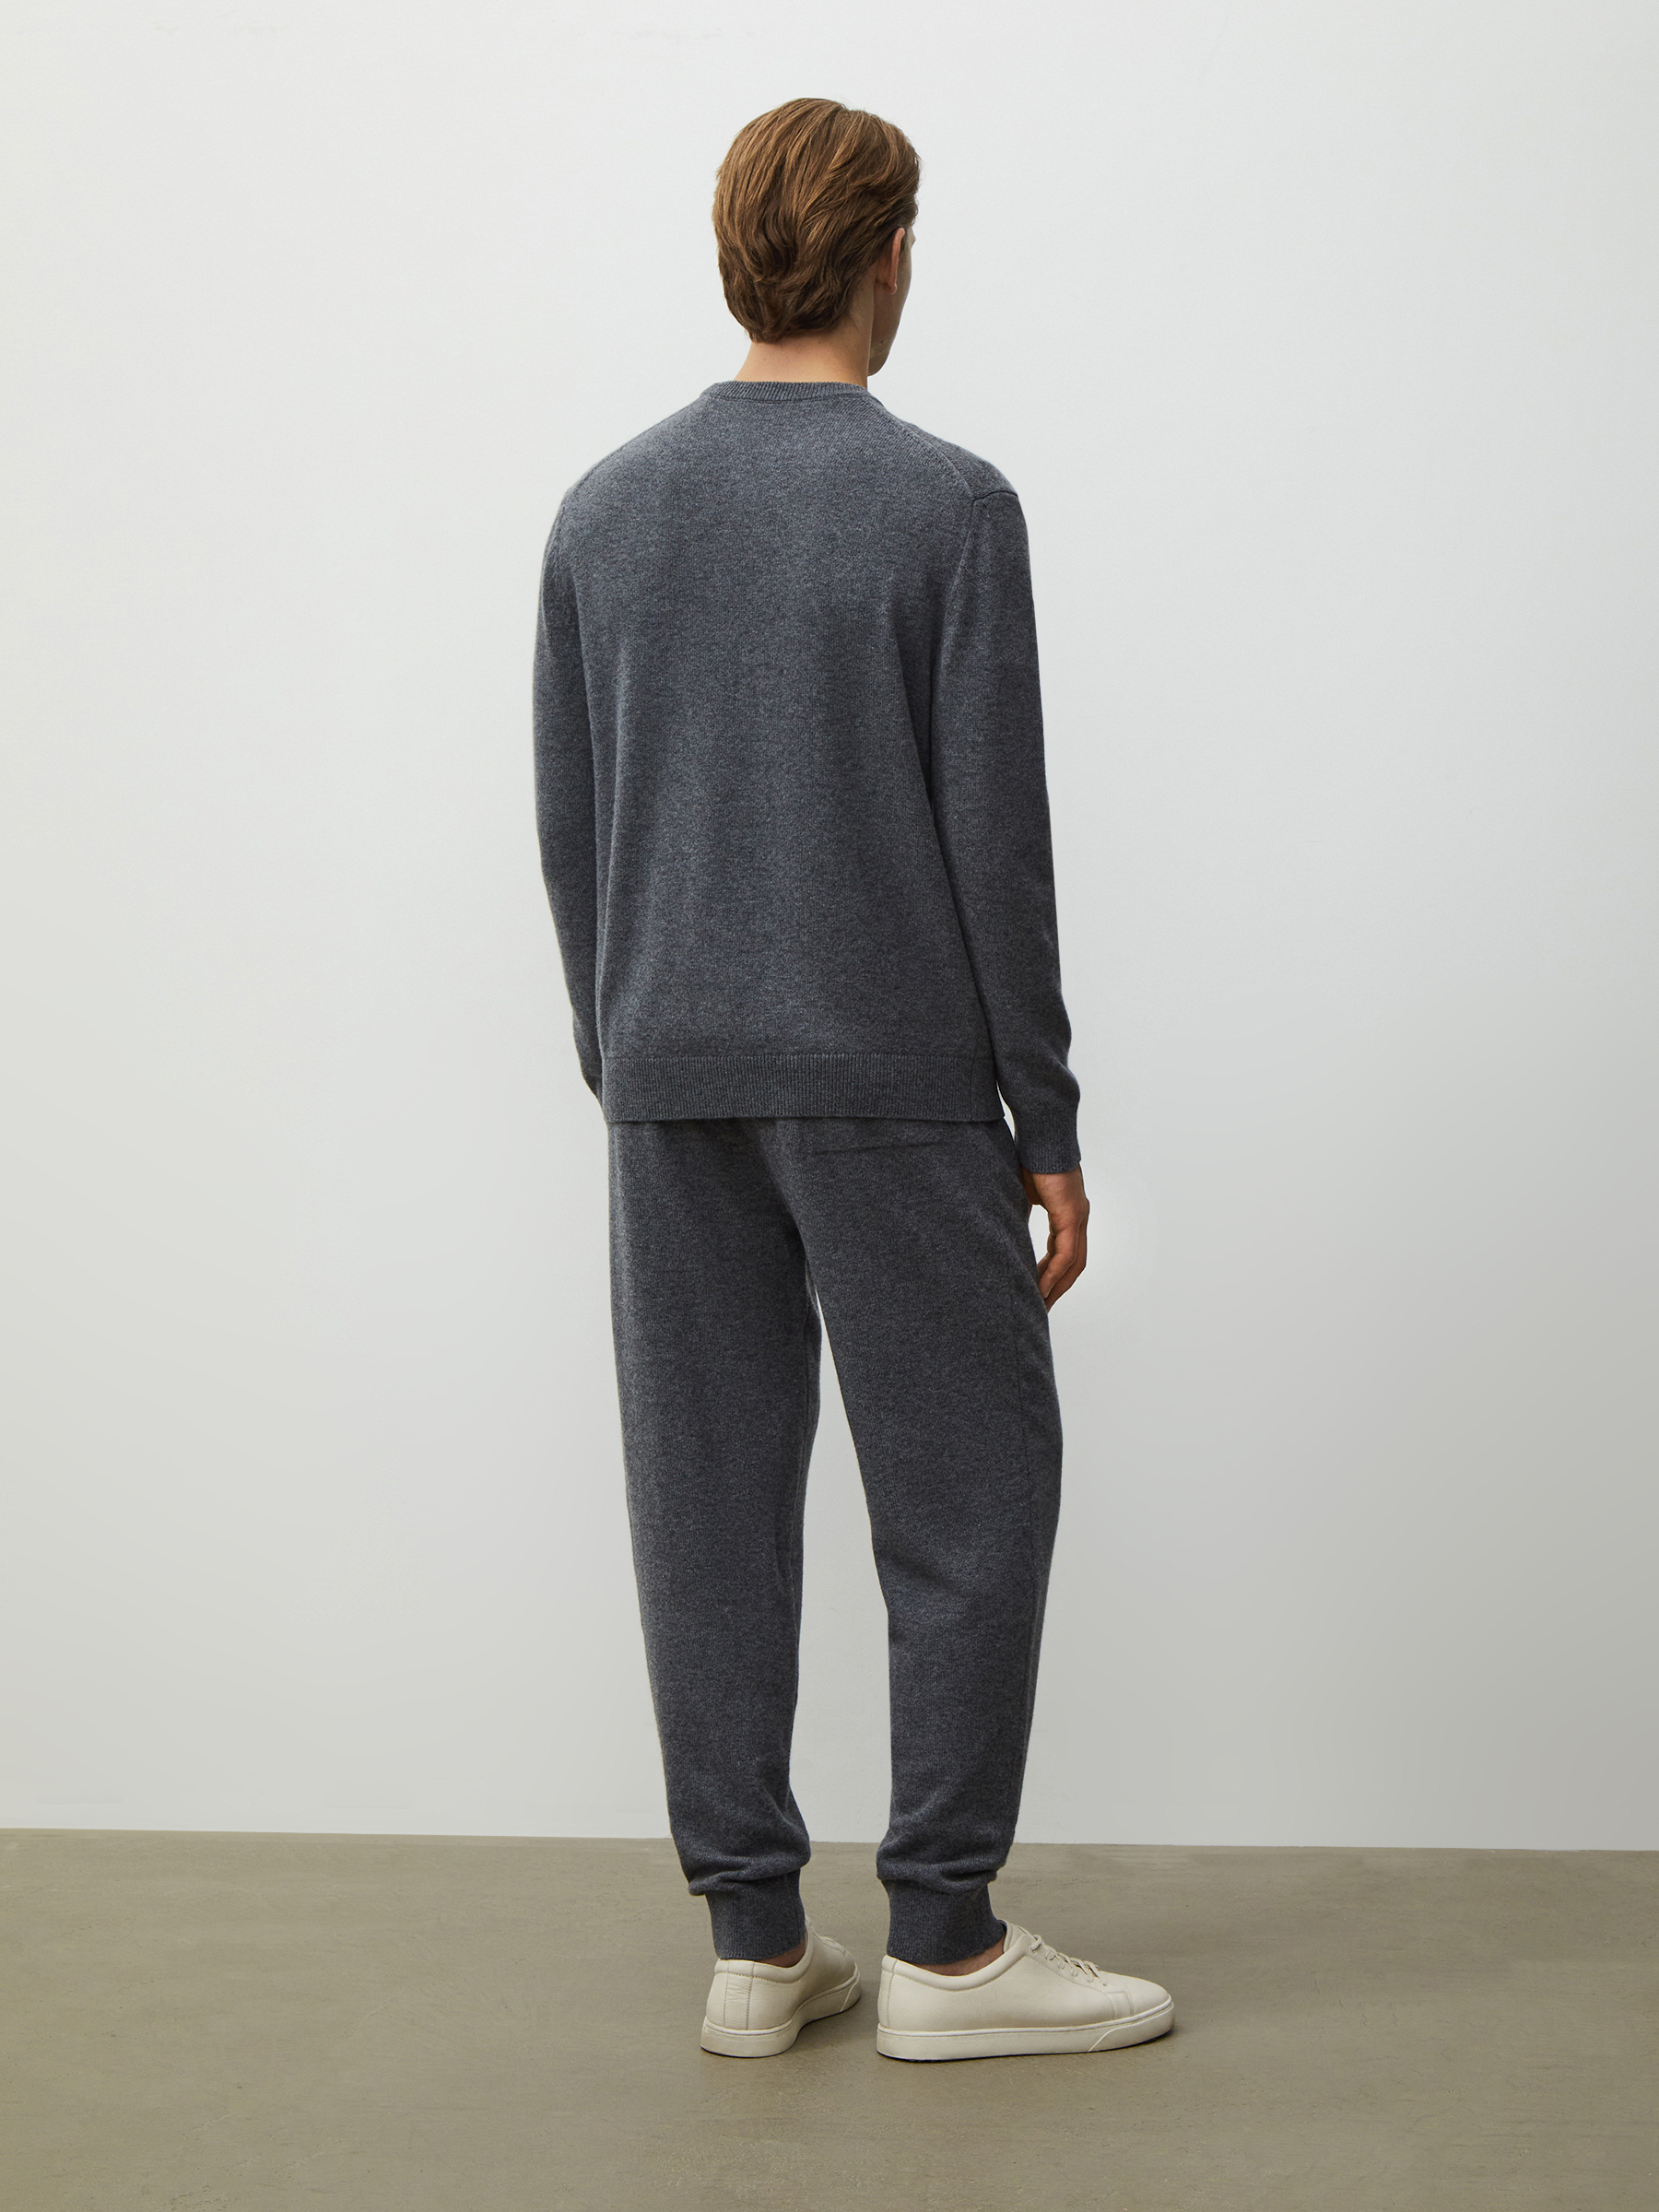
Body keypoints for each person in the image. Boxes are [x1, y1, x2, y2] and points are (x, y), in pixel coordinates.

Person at [532, 95, 1173, 2063]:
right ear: (890, 256)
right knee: (969, 1494)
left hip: (672, 1081)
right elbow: (1000, 844)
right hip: (892, 1075)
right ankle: (946, 1950)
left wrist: (631, 1053)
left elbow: (572, 829)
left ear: (737, 254)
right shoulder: (945, 508)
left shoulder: (604, 512)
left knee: (706, 1506)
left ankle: (754, 1946)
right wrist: (1046, 1124)